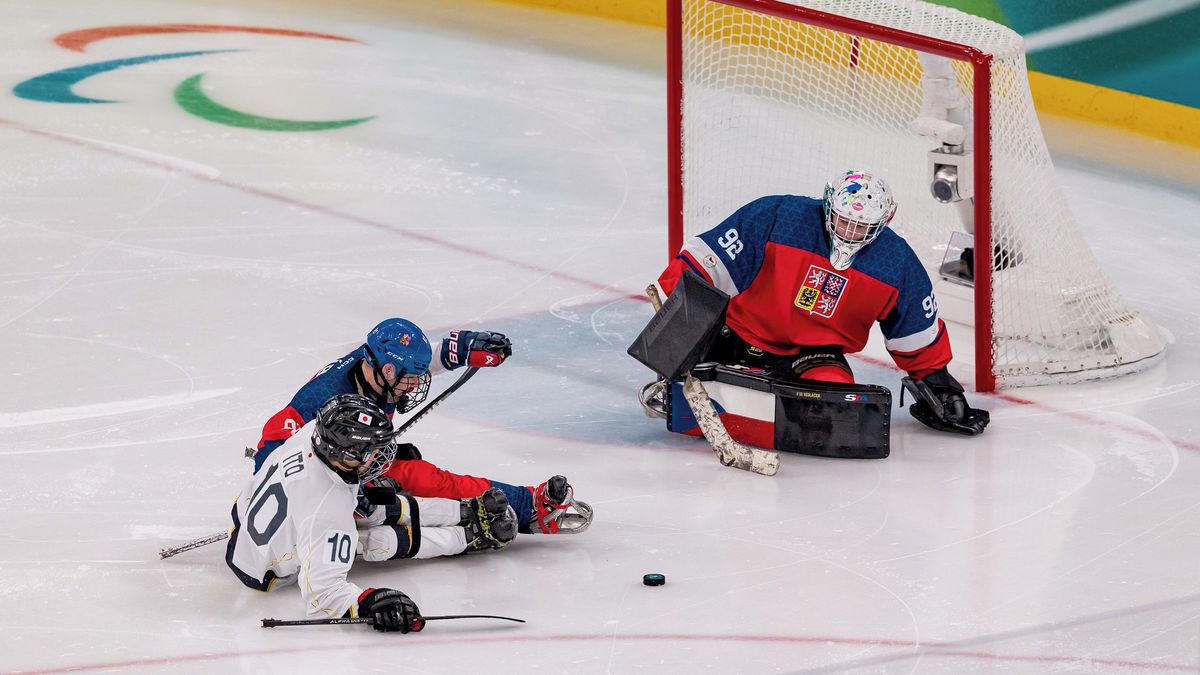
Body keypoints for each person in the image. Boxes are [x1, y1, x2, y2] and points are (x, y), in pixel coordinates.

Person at [646, 169, 989, 436]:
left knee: (839, 405)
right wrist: (678, 329)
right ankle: (718, 378)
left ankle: (752, 398)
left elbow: (914, 327)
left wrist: (936, 380)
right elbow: (705, 264)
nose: (850, 231)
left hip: (812, 355)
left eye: (862, 226)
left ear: (884, 222)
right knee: (699, 398)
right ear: (828, 205)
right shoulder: (778, 216)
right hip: (734, 338)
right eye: (844, 219)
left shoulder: (895, 262)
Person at [253, 317, 591, 535]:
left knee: (416, 471)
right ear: (386, 371)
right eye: (410, 379)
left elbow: (426, 356)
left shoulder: (381, 364)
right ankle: (513, 510)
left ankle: (523, 502)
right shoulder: (324, 396)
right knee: (416, 482)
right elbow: (272, 441)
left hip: (357, 458)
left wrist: (464, 349)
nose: (415, 385)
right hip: (328, 477)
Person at [226, 394, 519, 630]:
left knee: (371, 506)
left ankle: (460, 512)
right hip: (265, 572)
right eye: (372, 450)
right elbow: (322, 596)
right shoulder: (327, 511)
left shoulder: (311, 435)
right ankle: (463, 536)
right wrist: (369, 601)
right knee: (376, 540)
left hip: (244, 518)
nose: (380, 456)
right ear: (346, 455)